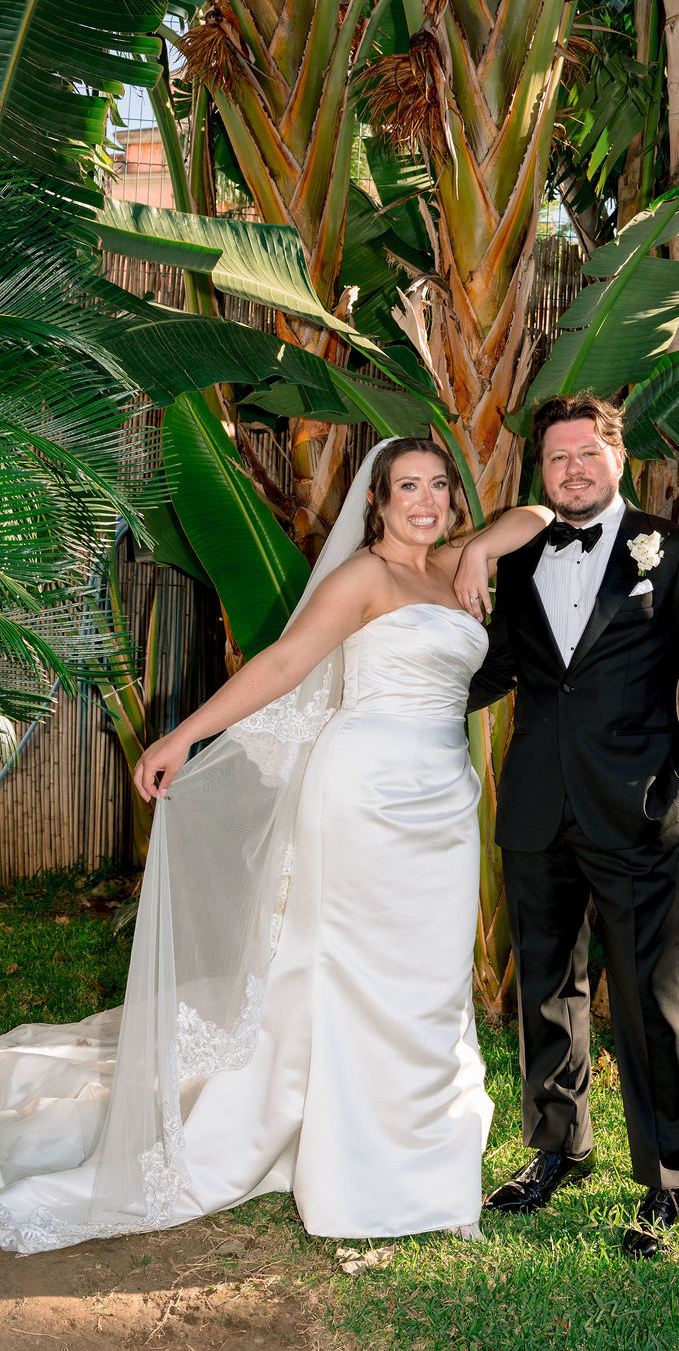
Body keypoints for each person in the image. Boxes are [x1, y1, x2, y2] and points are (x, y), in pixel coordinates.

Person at [0, 437, 548, 1254]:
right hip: (363, 796)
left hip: (442, 802)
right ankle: (368, 1179)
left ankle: (423, 1155)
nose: (426, 500)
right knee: (355, 976)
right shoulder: (364, 575)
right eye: (408, 488)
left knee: (431, 982)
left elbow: (537, 514)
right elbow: (288, 662)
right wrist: (182, 738)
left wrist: (482, 551)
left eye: (438, 486)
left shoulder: (456, 564)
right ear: (379, 501)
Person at [467, 393, 679, 1259]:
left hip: (636, 809)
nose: (573, 469)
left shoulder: (678, 551)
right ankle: (559, 1145)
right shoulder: (520, 559)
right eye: (556, 459)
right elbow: (502, 666)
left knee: (646, 1001)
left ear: (618, 460)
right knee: (547, 990)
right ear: (540, 473)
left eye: (588, 453)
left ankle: (666, 1181)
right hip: (537, 808)